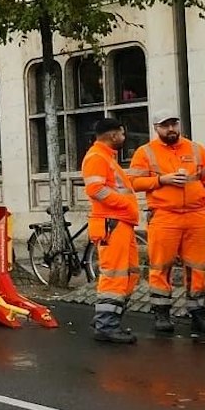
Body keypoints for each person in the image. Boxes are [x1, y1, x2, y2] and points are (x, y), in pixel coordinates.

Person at [129, 113, 205, 336]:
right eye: (165, 125)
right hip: (164, 216)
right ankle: (162, 313)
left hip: (197, 217)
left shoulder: (196, 149)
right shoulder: (145, 152)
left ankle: (199, 313)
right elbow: (133, 182)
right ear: (156, 128)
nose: (171, 128)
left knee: (198, 267)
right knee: (161, 266)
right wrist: (162, 180)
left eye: (174, 124)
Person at [83, 117, 141, 344]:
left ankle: (105, 318)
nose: (124, 138)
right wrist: (125, 204)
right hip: (112, 222)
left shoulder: (106, 158)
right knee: (115, 275)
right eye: (122, 134)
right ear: (113, 134)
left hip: (120, 222)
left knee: (130, 273)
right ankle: (106, 324)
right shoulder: (98, 157)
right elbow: (95, 189)